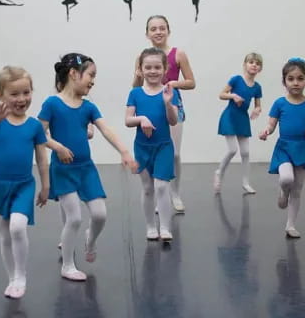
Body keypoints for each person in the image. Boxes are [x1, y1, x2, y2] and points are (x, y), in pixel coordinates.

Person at [39, 53, 136, 281]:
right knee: (73, 218)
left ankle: (89, 240)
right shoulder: (52, 104)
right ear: (74, 74)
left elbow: (106, 129)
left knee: (100, 214)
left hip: (86, 169)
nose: (93, 81)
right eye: (91, 75)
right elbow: (38, 132)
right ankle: (68, 265)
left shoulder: (88, 107)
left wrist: (123, 151)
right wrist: (58, 147)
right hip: (63, 169)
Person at [0, 66, 49, 299]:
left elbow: (41, 157)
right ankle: (11, 278)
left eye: (26, 93)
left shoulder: (34, 126)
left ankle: (21, 275)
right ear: (1, 95)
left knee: (17, 226)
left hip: (23, 185)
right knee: (4, 234)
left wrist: (45, 185)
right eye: (14, 94)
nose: (22, 99)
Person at [133, 15, 196, 213]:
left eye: (162, 28)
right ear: (147, 33)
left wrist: (173, 84)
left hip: (172, 104)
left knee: (175, 154)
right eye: (153, 29)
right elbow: (135, 87)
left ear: (168, 31)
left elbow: (191, 82)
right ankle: (160, 194)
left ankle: (175, 194)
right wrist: (136, 78)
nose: (158, 32)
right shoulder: (142, 56)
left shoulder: (178, 54)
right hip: (149, 108)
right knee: (153, 152)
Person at [259, 58, 305, 238]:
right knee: (286, 178)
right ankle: (282, 191)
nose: (295, 83)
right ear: (284, 81)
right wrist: (266, 131)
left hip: (302, 148)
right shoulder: (280, 103)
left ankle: (290, 225)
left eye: (300, 78)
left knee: (298, 189)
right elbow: (271, 124)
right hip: (284, 147)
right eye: (291, 78)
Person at [127, 47, 179, 240]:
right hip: (142, 147)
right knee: (148, 188)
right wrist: (141, 119)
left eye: (157, 67)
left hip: (164, 146)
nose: (153, 71)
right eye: (148, 67)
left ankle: (165, 227)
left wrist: (167, 103)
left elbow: (173, 121)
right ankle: (150, 226)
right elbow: (127, 120)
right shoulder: (135, 93)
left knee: (162, 187)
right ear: (140, 69)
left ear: (165, 69)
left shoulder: (168, 92)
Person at [214, 53, 263, 195]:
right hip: (230, 116)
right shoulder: (236, 80)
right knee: (232, 150)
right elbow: (221, 94)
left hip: (243, 118)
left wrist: (257, 110)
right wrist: (233, 96)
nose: (254, 65)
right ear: (245, 64)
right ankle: (219, 172)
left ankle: (246, 183)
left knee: (246, 152)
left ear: (260, 69)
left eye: (257, 63)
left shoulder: (257, 87)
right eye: (251, 62)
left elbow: (258, 105)